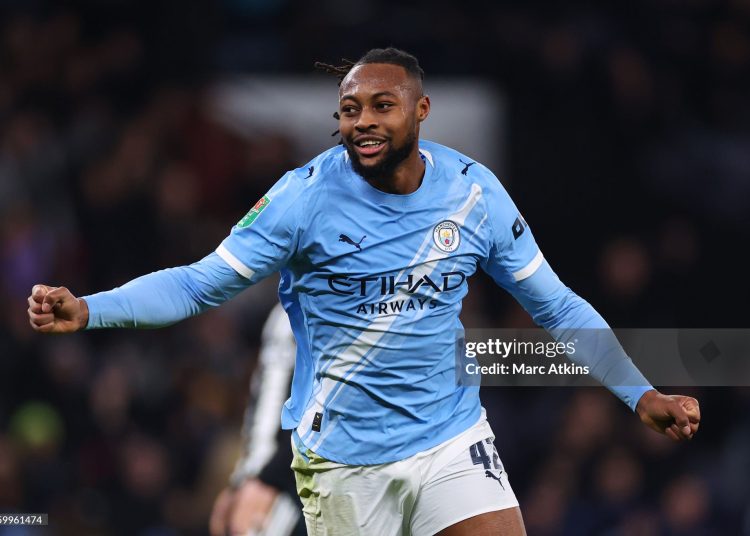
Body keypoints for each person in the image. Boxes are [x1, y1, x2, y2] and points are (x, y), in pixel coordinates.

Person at [28, 47, 700, 535]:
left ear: (422, 110)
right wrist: (91, 309)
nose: (364, 121)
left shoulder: (473, 193)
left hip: (449, 440)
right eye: (350, 110)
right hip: (345, 464)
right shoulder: (303, 198)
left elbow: (558, 305)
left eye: (383, 105)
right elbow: (199, 285)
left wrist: (639, 393)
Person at [209, 303, 305, 536]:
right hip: (281, 478)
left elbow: (327, 404)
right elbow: (267, 406)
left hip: (301, 484)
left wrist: (267, 479)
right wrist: (244, 481)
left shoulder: (334, 300)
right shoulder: (289, 303)